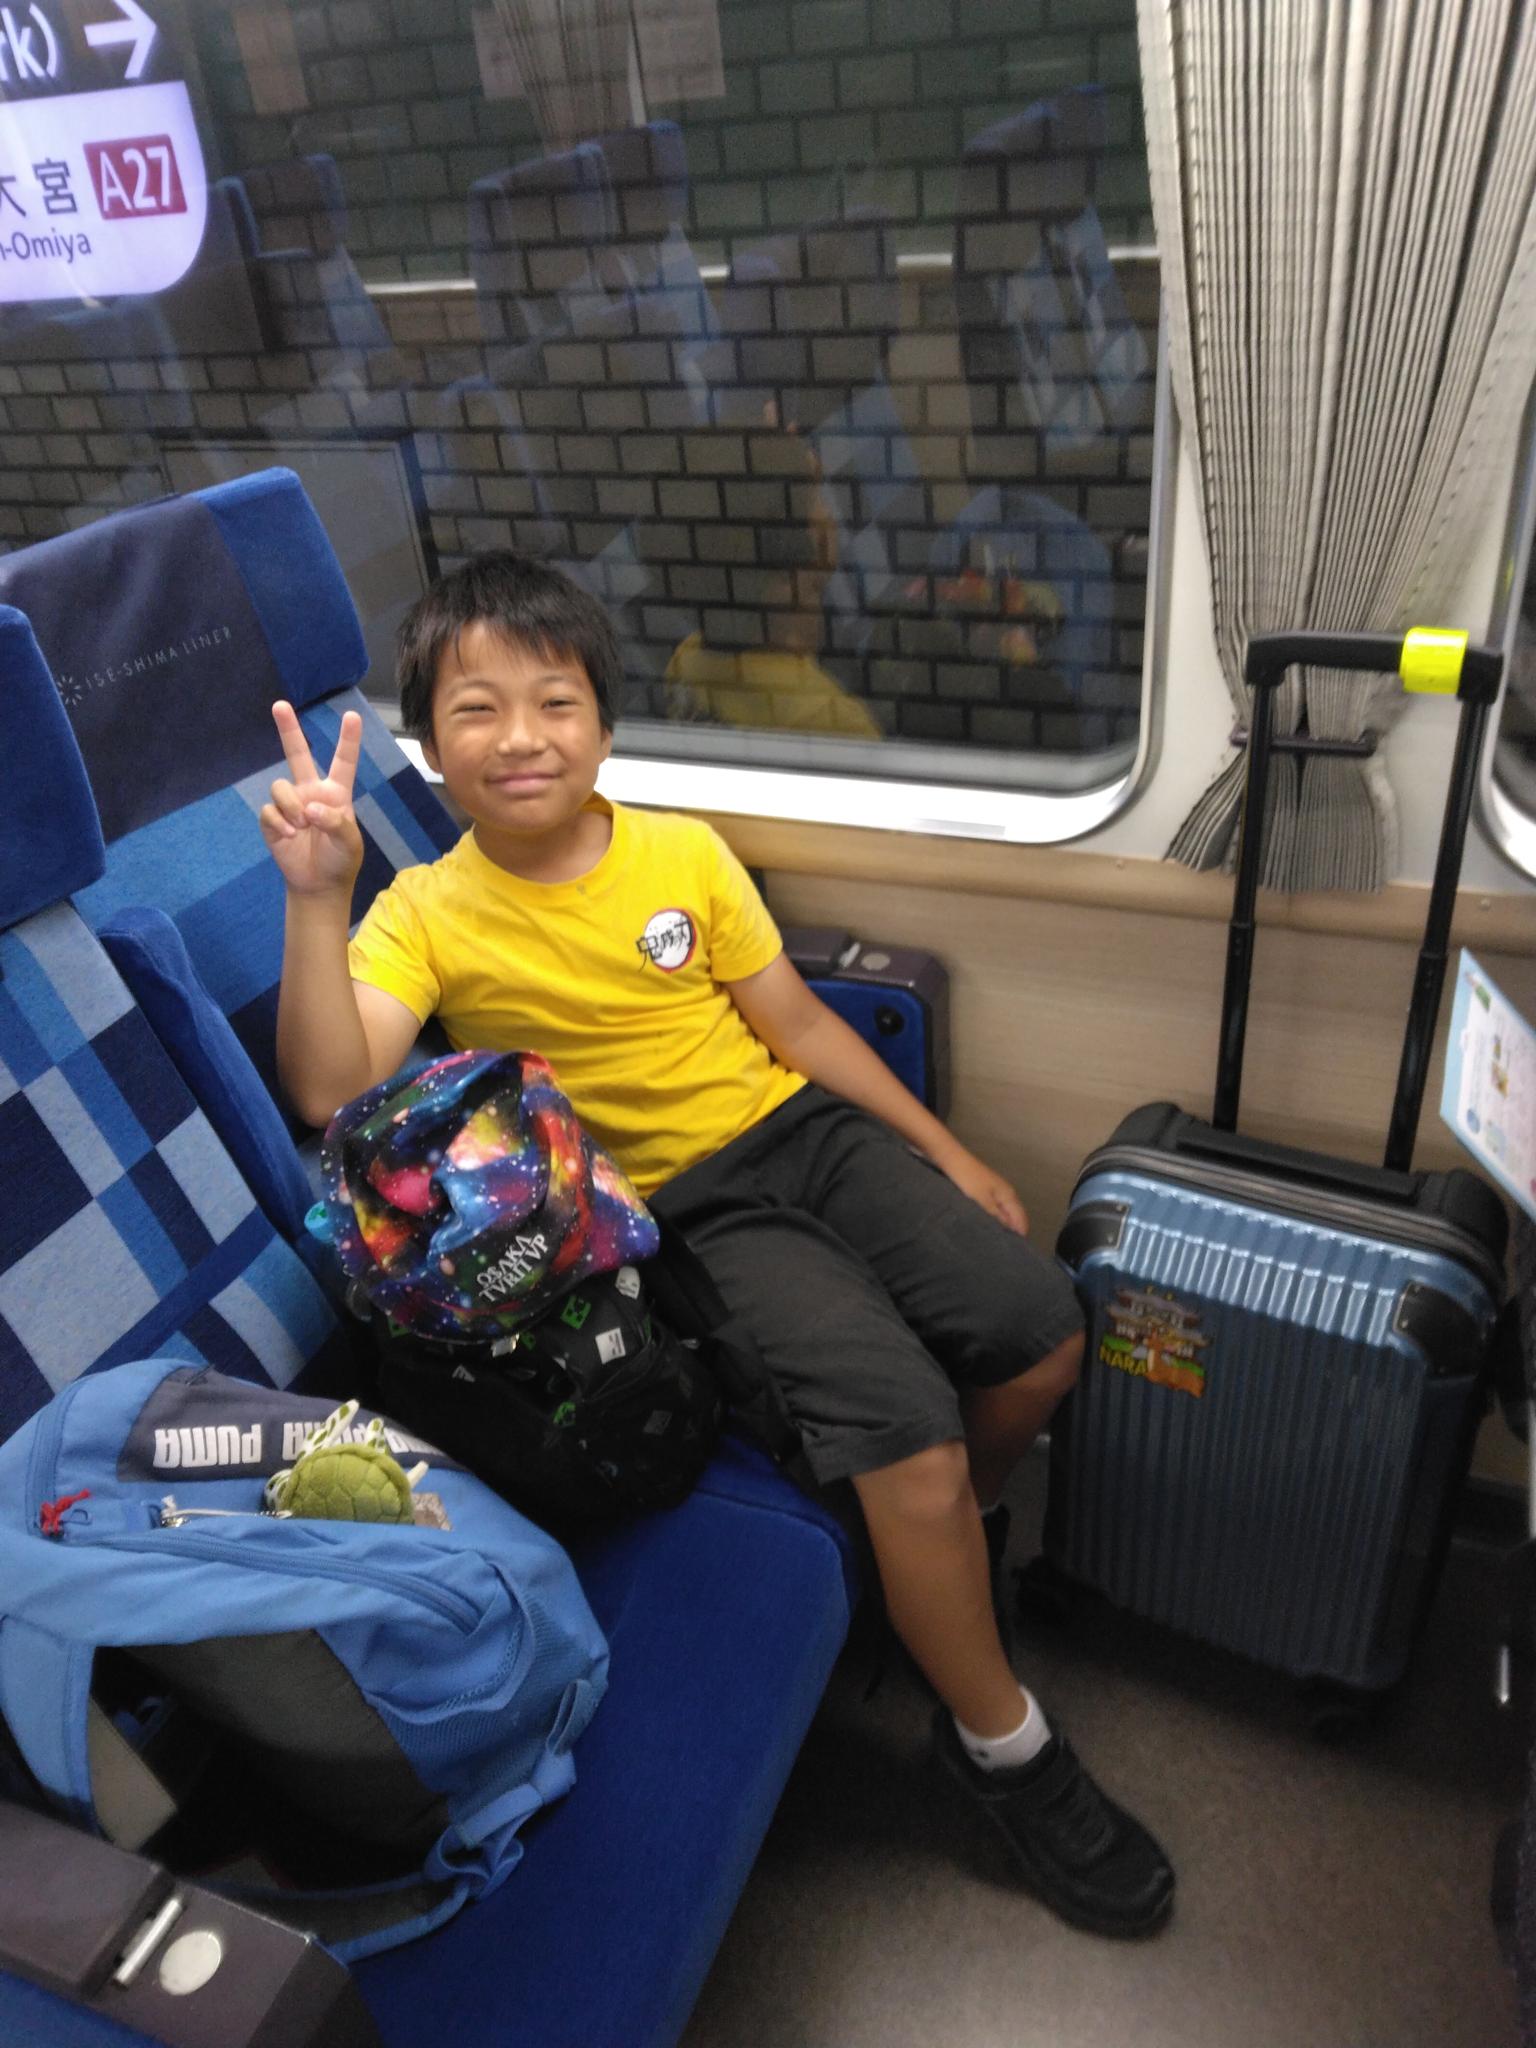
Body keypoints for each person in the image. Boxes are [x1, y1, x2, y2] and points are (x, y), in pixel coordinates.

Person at [261, 552, 1175, 1939]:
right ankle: (1003, 1747)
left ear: (604, 726)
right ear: (431, 748)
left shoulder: (683, 853)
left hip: (803, 1133)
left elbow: (794, 1024)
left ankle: (951, 1554)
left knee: (1045, 1331)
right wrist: (318, 895)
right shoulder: (428, 911)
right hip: (681, 1208)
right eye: (476, 710)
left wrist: (948, 1150)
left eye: (555, 701)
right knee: (910, 1438)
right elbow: (333, 1091)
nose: (520, 737)